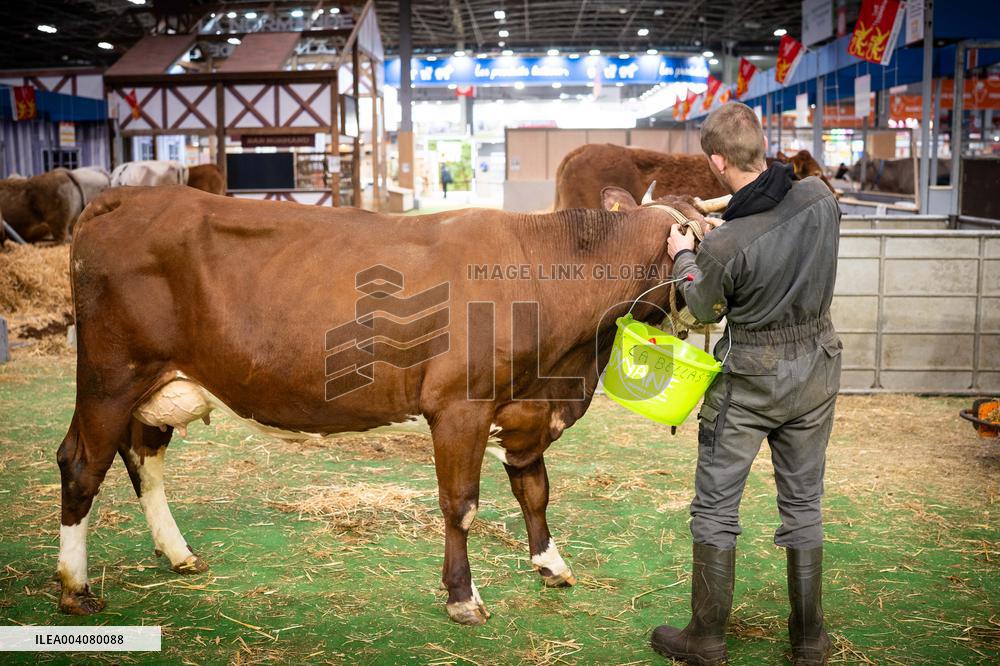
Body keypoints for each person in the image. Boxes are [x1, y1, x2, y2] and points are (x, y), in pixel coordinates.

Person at [652, 102, 842, 666]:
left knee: (716, 508)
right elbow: (779, 228)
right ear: (760, 145)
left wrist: (688, 256)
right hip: (817, 364)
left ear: (717, 161)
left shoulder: (724, 247)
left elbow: (702, 306)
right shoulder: (821, 198)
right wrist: (727, 235)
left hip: (753, 375)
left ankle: (706, 640)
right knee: (803, 503)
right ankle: (809, 641)